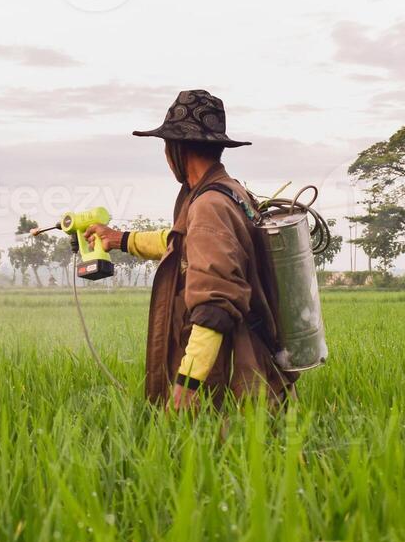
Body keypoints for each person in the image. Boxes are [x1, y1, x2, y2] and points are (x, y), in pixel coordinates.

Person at [85, 90, 289, 410]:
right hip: (251, 371)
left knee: (217, 457)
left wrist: (186, 386)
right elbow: (182, 242)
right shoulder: (231, 192)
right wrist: (118, 239)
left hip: (229, 382)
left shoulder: (209, 205)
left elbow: (214, 306)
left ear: (176, 149)